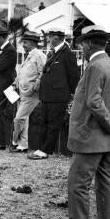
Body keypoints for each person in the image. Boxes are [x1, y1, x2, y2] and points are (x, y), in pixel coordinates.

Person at [51, 25, 110, 219]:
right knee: (106, 182)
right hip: (109, 141)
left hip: (90, 139)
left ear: (87, 45)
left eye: (82, 45)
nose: (81, 49)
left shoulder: (94, 67)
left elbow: (93, 102)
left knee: (78, 184)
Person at [30, 27, 80, 160]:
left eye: (49, 36)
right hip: (47, 95)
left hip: (58, 96)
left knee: (53, 124)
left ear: (56, 37)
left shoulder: (67, 54)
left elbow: (74, 76)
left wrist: (72, 95)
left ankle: (46, 150)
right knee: (44, 122)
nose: (48, 39)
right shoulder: (53, 53)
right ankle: (41, 148)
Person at [11, 31, 46, 153]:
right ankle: (23, 145)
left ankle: (14, 141)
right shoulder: (29, 55)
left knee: (19, 118)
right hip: (22, 92)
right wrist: (16, 81)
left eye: (25, 42)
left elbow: (43, 72)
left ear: (32, 43)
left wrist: (35, 87)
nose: (23, 45)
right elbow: (23, 72)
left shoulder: (39, 55)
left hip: (31, 93)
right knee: (24, 119)